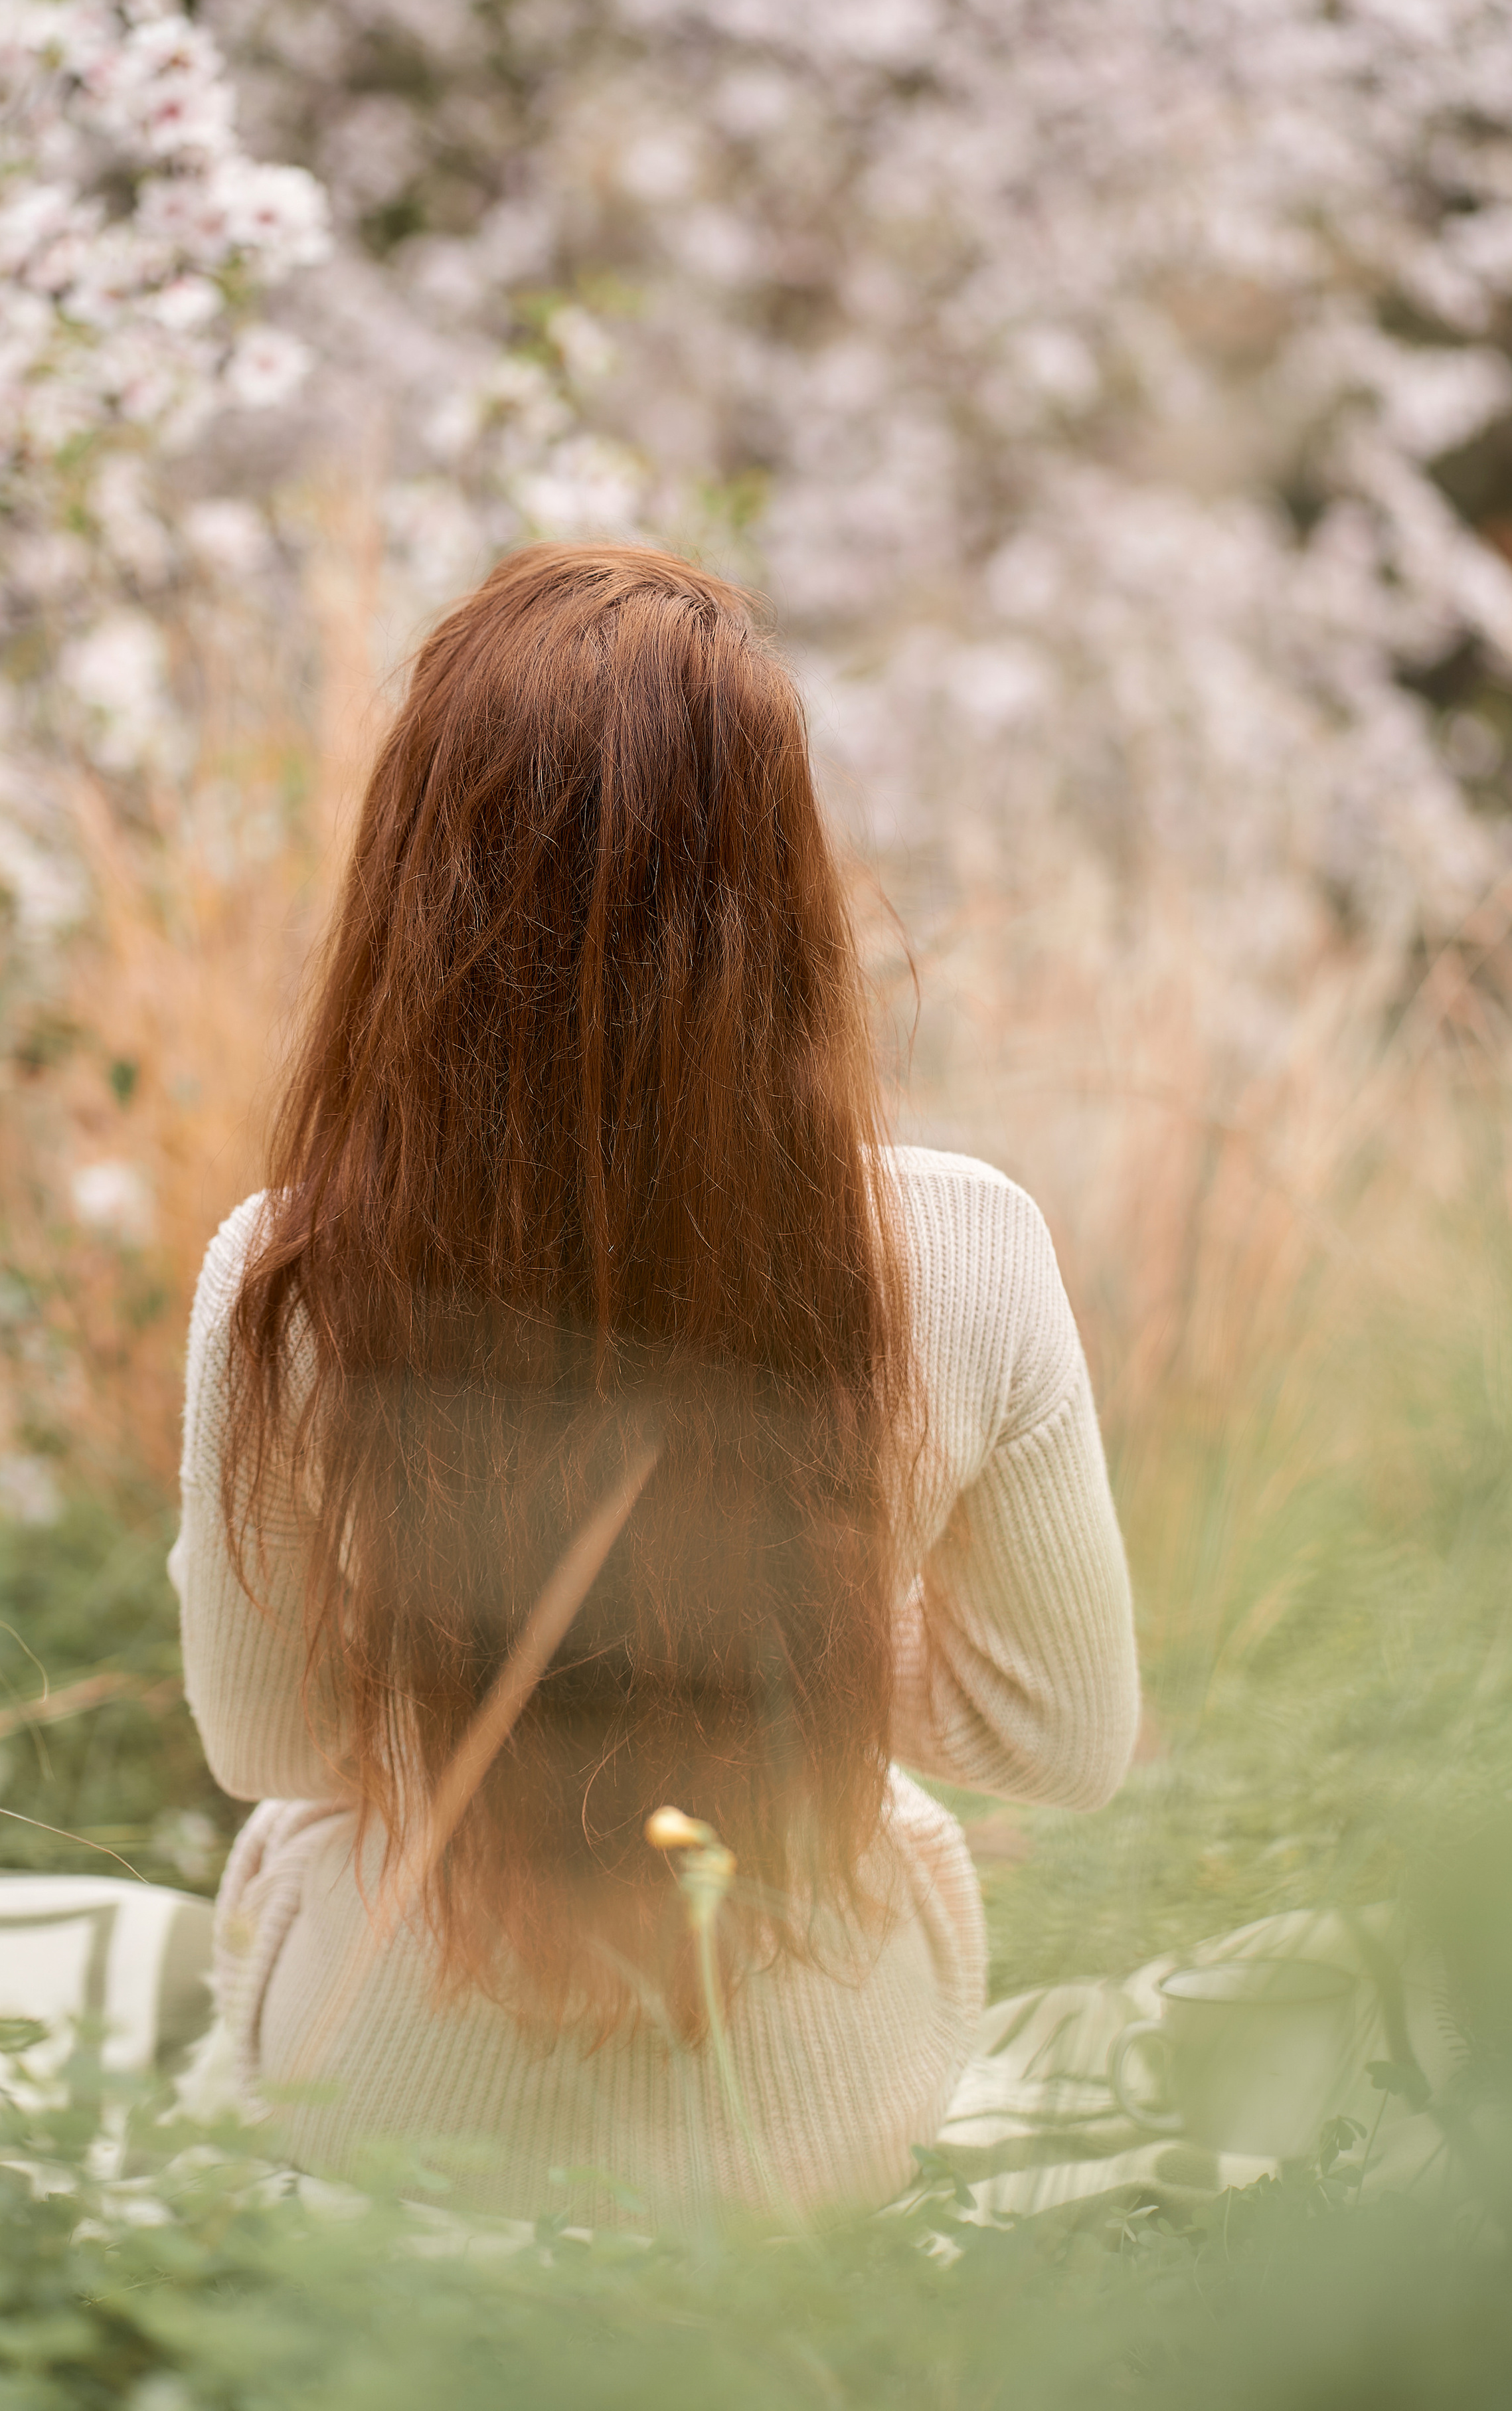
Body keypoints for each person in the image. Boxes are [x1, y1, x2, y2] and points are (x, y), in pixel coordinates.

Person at [171, 541, 1139, 2222]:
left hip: (394, 2113)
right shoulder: (968, 1248)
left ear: (417, 882)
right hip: (798, 2139)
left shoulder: (289, 1279)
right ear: (783, 876)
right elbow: (1063, 1741)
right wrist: (784, 1632)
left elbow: (270, 1743)